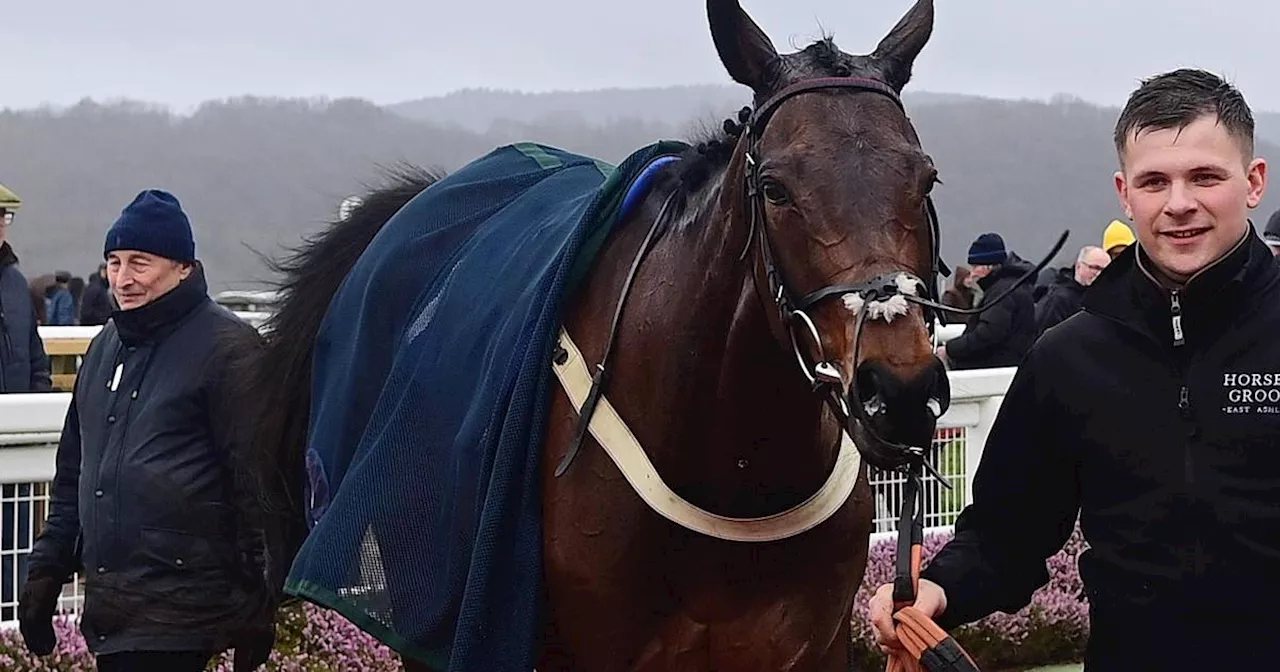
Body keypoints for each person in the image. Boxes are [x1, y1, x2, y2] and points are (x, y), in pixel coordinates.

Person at [868, 68, 1273, 670]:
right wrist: (941, 589)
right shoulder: (1067, 357)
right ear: (1124, 193)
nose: (1179, 203)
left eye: (1205, 177)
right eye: (1154, 181)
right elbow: (1008, 536)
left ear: (1253, 182)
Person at [18, 190, 275, 671]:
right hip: (114, 607)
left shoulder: (230, 350)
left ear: (184, 268)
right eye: (114, 263)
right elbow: (75, 473)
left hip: (184, 610)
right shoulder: (103, 349)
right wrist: (47, 570)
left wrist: (261, 598)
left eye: (140, 262)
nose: (123, 279)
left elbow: (257, 485)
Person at [935, 232, 1036, 371]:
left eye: (975, 267)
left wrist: (950, 349)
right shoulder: (1011, 286)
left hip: (996, 369)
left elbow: (988, 334)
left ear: (987, 267)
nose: (972, 272)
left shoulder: (1002, 292)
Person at [0, 188, 52, 392]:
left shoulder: (16, 283)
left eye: (3, 216)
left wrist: (37, 401)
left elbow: (36, 358)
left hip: (18, 417)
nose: (0, 224)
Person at [1034, 245, 1110, 335]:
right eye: (1094, 268)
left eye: (1105, 270)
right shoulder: (1058, 300)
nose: (1099, 274)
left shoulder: (1105, 298)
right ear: (1078, 266)